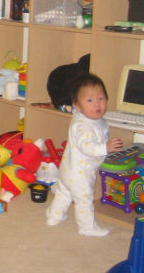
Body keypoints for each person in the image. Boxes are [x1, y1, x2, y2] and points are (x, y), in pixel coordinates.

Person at [45, 72, 123, 237]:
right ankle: (87, 227)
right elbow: (87, 147)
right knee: (84, 200)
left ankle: (53, 216)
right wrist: (105, 148)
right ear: (77, 105)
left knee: (64, 193)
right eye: (90, 100)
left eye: (101, 98)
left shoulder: (87, 119)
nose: (97, 104)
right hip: (80, 174)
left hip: (68, 169)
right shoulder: (84, 126)